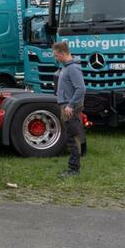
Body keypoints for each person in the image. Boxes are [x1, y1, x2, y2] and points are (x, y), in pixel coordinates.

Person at [52, 41, 86, 177]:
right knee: (71, 136)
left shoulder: (73, 68)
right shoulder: (66, 67)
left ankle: (74, 169)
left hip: (69, 108)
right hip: (66, 106)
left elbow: (81, 88)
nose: (55, 58)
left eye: (56, 55)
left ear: (62, 53)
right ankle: (73, 167)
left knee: (73, 138)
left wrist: (70, 105)